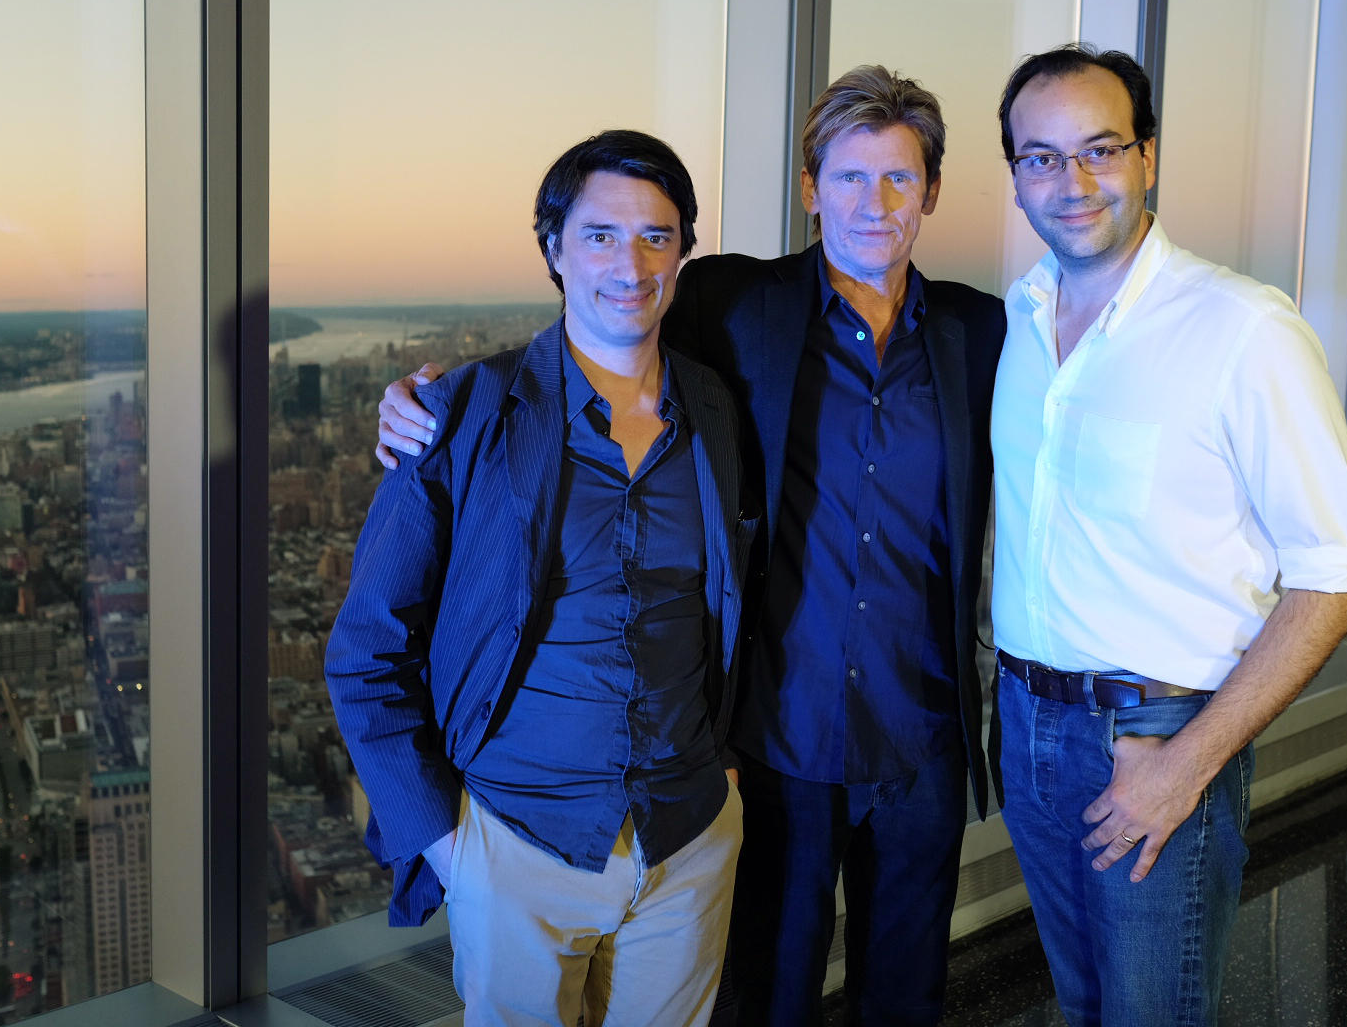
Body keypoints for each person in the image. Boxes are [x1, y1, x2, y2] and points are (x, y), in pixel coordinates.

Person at [379, 67, 1006, 1026]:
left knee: (907, 995)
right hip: (778, 737)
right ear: (810, 187)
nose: (873, 203)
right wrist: (429, 403)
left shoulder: (981, 330)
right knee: (767, 995)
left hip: (919, 735)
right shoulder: (734, 303)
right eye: (848, 177)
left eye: (898, 178)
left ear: (928, 190)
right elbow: (595, 337)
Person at [990, 44, 1347, 1026]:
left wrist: (1190, 758)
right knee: (1085, 1005)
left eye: (1100, 149)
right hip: (1028, 723)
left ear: (1149, 157)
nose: (1071, 182)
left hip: (1159, 733)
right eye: (1041, 157)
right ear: (1016, 177)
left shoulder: (1242, 327)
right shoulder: (1024, 315)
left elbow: (1337, 571)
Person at [326, 130, 755, 1027]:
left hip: (688, 837)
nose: (629, 263)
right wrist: (454, 852)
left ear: (684, 251)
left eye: (656, 235)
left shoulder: (714, 407)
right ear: (553, 249)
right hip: (516, 844)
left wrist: (725, 778)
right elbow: (366, 651)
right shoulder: (464, 411)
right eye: (599, 235)